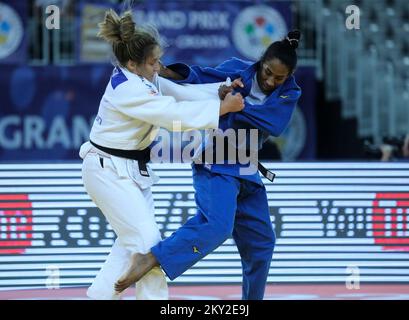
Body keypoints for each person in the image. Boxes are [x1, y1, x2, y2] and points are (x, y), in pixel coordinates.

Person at [114, 30, 303, 300]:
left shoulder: (291, 91)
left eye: (279, 78)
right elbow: (201, 77)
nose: (271, 81)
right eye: (267, 72)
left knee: (262, 243)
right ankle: (151, 258)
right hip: (216, 161)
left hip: (247, 168)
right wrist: (169, 74)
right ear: (261, 62)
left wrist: (234, 104)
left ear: (289, 77)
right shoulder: (237, 69)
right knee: (217, 226)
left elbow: (274, 123)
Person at [80, 9, 244, 300]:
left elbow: (177, 92)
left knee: (129, 246)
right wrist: (222, 109)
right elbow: (172, 113)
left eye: (158, 60)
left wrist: (218, 91)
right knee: (148, 248)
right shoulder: (127, 90)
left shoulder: (140, 79)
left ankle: (98, 297)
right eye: (153, 62)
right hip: (107, 171)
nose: (158, 67)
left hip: (126, 169)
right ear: (133, 63)